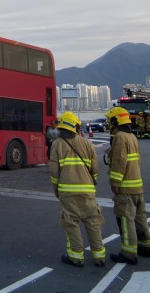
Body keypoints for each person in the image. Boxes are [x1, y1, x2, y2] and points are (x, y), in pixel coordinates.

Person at [49, 111, 106, 268]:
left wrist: (57, 190)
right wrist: (91, 184)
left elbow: (54, 172)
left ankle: (76, 257)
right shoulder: (87, 143)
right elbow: (94, 168)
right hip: (87, 190)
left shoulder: (57, 144)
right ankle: (99, 256)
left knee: (71, 223)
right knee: (93, 222)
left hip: (67, 191)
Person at [106, 107, 150, 265]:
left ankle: (128, 253)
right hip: (137, 185)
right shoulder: (132, 136)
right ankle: (145, 245)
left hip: (125, 187)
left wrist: (115, 182)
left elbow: (119, 161)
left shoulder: (120, 137)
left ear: (115, 121)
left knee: (126, 219)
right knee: (140, 218)